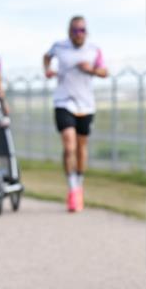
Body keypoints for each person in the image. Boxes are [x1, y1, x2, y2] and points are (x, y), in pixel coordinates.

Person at [43, 15, 108, 212]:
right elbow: (46, 57)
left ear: (86, 32)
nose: (78, 34)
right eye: (75, 30)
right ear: (69, 31)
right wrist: (48, 70)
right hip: (63, 101)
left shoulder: (93, 50)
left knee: (81, 147)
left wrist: (92, 70)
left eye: (82, 30)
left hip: (86, 105)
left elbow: (105, 72)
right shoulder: (59, 47)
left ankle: (79, 184)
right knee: (69, 145)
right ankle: (72, 189)